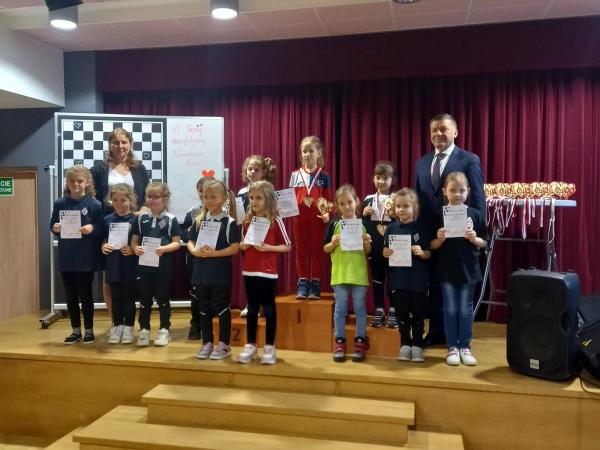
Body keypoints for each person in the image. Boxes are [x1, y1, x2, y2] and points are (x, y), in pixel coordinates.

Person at [414, 113, 485, 346]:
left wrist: (476, 232)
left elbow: (478, 199)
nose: (438, 134)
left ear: (455, 132)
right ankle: (436, 332)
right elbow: (417, 201)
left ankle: (458, 339)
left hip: (460, 239)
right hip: (432, 237)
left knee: (459, 293)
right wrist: (418, 234)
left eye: (443, 129)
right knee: (434, 286)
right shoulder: (421, 163)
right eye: (434, 130)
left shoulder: (469, 160)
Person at [91, 128, 150, 319]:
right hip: (109, 226)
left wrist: (143, 209)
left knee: (131, 278)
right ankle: (115, 323)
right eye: (115, 142)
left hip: (133, 227)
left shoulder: (139, 168)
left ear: (130, 144)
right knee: (110, 279)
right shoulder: (98, 169)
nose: (120, 146)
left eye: (124, 142)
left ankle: (129, 324)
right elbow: (93, 199)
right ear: (110, 145)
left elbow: (147, 196)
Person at [430, 172, 488, 366]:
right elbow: (432, 245)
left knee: (465, 309)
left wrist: (474, 238)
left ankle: (465, 346)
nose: (457, 194)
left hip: (468, 269)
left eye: (462, 190)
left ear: (468, 191)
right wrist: (439, 239)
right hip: (447, 269)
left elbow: (484, 242)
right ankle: (452, 347)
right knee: (450, 309)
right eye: (453, 190)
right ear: (445, 192)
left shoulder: (475, 214)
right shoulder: (439, 215)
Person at [238, 181, 291, 364]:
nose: (254, 201)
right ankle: (251, 345)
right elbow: (242, 244)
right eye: (251, 197)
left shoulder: (275, 220)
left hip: (267, 272)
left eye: (258, 198)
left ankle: (269, 347)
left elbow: (287, 246)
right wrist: (244, 245)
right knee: (252, 309)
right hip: (249, 270)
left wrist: (268, 248)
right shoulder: (247, 220)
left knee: (268, 308)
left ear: (268, 199)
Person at [50, 165, 103, 344]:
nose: (76, 184)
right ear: (67, 183)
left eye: (80, 181)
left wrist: (92, 227)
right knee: (70, 296)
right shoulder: (60, 203)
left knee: (86, 295)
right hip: (67, 257)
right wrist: (55, 227)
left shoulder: (95, 204)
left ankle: (89, 330)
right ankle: (75, 331)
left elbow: (101, 228)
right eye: (72, 181)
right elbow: (53, 226)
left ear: (87, 182)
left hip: (85, 257)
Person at [188, 179, 240, 361]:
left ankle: (224, 344)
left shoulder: (230, 222)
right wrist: (195, 251)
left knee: (222, 308)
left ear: (224, 198)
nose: (209, 200)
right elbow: (191, 241)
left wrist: (215, 254)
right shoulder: (199, 220)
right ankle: (207, 342)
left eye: (213, 197)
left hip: (220, 274)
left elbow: (235, 247)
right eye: (205, 197)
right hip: (200, 273)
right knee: (203, 308)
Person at [323, 184, 372, 363]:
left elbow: (368, 252)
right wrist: (332, 243)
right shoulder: (334, 224)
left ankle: (360, 342)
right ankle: (339, 343)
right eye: (342, 204)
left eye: (349, 202)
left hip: (359, 274)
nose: (346, 206)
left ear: (357, 202)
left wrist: (366, 242)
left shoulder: (363, 225)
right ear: (337, 205)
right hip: (340, 274)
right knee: (340, 310)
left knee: (359, 309)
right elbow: (325, 248)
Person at [130, 182, 182, 347]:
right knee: (144, 299)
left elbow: (176, 242)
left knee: (163, 298)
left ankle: (164, 329)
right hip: (144, 267)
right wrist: (135, 248)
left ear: (165, 199)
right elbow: (134, 240)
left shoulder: (171, 219)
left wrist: (164, 249)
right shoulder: (141, 218)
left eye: (156, 197)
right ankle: (144, 330)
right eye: (149, 196)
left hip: (163, 267)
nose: (151, 200)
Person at [383, 188, 431, 362]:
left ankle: (417, 345)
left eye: (406, 206)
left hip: (417, 281)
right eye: (398, 206)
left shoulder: (421, 228)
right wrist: (385, 252)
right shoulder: (391, 228)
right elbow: (385, 251)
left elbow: (429, 253)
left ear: (414, 208)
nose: (401, 210)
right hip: (398, 280)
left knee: (418, 315)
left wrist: (421, 252)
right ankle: (405, 344)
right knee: (402, 314)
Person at [289, 136, 332, 299]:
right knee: (300, 250)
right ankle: (302, 283)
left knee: (316, 250)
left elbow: (328, 199)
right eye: (304, 151)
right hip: (298, 219)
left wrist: (327, 212)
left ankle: (315, 284)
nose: (307, 154)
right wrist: (284, 207)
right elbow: (290, 197)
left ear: (318, 153)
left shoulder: (324, 176)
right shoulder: (295, 174)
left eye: (311, 151)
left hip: (317, 219)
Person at [237, 155, 276, 317]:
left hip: (264, 237)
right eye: (249, 169)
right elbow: (240, 217)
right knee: (250, 272)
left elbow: (274, 213)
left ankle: (263, 306)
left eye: (256, 169)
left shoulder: (268, 190)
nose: (252, 172)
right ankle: (252, 304)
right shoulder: (242, 192)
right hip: (247, 237)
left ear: (263, 172)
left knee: (263, 274)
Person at [101, 184, 138, 344]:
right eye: (115, 200)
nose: (119, 203)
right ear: (111, 201)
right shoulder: (107, 220)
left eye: (123, 200)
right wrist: (104, 247)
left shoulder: (136, 220)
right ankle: (117, 326)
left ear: (130, 200)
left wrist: (132, 249)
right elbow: (104, 239)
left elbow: (139, 241)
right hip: (113, 264)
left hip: (129, 265)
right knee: (115, 296)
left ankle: (129, 327)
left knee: (128, 297)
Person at [362, 160, 396, 328]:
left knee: (394, 277)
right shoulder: (368, 199)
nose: (381, 181)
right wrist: (363, 214)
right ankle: (379, 309)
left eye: (385, 178)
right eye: (378, 177)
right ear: (373, 179)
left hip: (392, 245)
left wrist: (395, 215)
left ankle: (394, 310)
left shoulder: (396, 198)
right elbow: (363, 225)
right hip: (375, 245)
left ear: (392, 180)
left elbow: (404, 220)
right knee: (377, 277)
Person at [181, 176, 213, 340]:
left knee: (214, 293)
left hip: (215, 259)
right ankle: (195, 324)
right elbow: (184, 235)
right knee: (196, 293)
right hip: (195, 259)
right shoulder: (192, 212)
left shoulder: (222, 213)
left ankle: (213, 324)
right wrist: (191, 233)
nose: (204, 194)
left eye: (208, 191)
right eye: (201, 191)